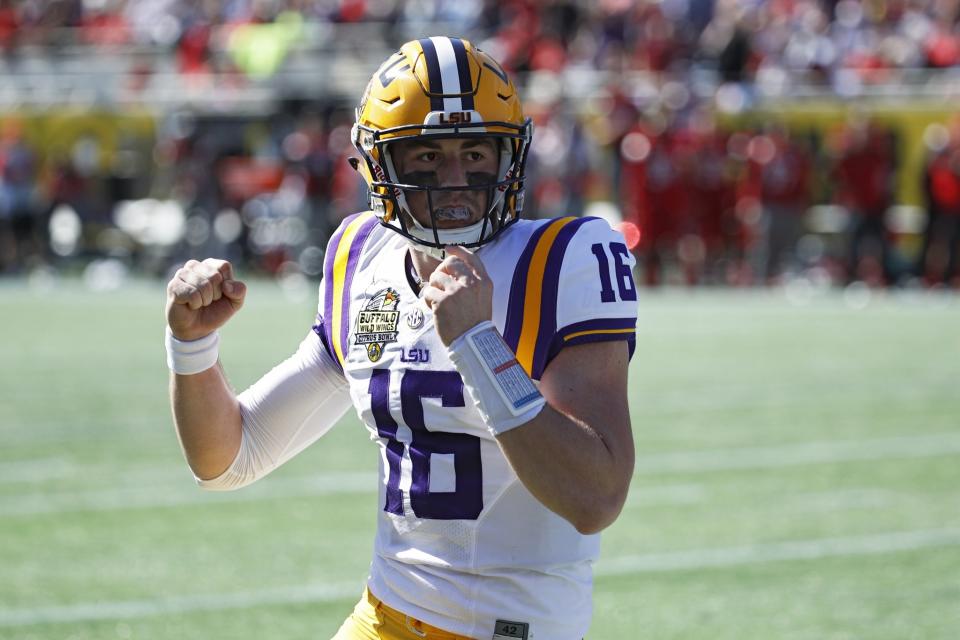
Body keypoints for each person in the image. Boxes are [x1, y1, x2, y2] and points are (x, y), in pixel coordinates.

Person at [165, 37, 638, 640]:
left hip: (512, 629)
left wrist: (476, 342)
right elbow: (229, 458)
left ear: (510, 157)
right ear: (374, 164)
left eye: (475, 154)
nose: (455, 180)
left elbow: (594, 497)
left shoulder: (565, 257)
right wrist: (192, 349)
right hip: (383, 613)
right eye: (427, 158)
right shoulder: (361, 253)